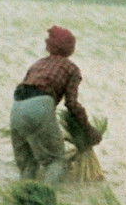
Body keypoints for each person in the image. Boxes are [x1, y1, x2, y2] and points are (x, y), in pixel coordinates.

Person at [10, 25, 102, 183]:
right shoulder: (71, 68)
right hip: (40, 104)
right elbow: (72, 104)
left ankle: (23, 200)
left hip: (17, 107)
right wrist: (89, 130)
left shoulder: (37, 64)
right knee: (56, 160)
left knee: (28, 165)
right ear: (69, 49)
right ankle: (47, 200)